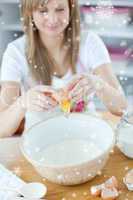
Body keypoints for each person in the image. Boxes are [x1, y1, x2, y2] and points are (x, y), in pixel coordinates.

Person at [0, 0, 127, 138]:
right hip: (39, 140)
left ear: (71, 9)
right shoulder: (15, 52)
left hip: (87, 136)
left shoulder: (90, 42)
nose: (53, 19)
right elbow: (2, 128)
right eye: (43, 11)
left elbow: (121, 108)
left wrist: (98, 84)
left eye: (60, 9)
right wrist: (22, 103)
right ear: (30, 12)